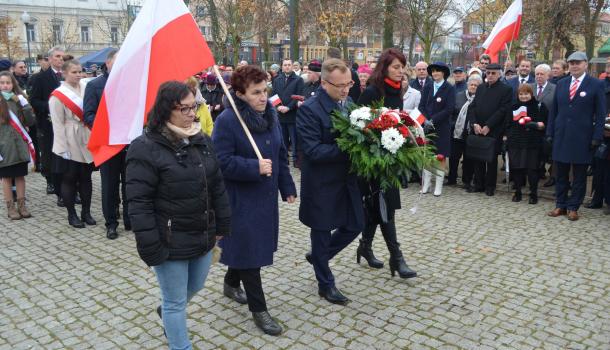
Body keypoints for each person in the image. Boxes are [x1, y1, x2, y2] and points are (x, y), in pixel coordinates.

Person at [126, 81, 231, 350]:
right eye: (183, 109)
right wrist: (150, 244)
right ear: (165, 111)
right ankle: (179, 344)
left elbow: (216, 183)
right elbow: (138, 202)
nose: (191, 114)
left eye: (193, 106)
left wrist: (222, 222)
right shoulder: (145, 147)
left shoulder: (201, 139)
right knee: (175, 302)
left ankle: (167, 312)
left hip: (202, 231)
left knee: (194, 287)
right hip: (169, 239)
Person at [212, 65, 297, 335]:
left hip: (266, 198)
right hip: (240, 200)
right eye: (256, 92)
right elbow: (219, 161)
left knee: (249, 248)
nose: (264, 97)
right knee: (250, 252)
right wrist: (253, 167)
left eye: (265, 90)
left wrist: (287, 186)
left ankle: (230, 282)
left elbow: (280, 154)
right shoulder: (227, 120)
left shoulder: (270, 114)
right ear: (239, 94)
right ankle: (259, 310)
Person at [297, 58, 365, 305]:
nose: (346, 89)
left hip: (346, 180)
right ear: (325, 83)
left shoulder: (348, 104)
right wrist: (350, 149)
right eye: (340, 86)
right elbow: (312, 150)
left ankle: (319, 257)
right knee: (322, 231)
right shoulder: (310, 109)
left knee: (356, 223)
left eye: (349, 83)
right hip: (322, 182)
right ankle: (325, 284)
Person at [357, 48, 417, 279]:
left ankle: (365, 246)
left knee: (378, 208)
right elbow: (359, 125)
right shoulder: (372, 91)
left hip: (390, 158)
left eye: (402, 67)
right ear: (384, 68)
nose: (400, 71)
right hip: (372, 162)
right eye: (395, 67)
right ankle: (397, 258)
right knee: (385, 207)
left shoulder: (397, 91)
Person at [546, 52, 606, 221]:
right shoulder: (562, 83)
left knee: (579, 176)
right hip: (562, 136)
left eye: (577, 62)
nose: (574, 65)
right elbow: (554, 111)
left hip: (583, 137)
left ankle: (573, 207)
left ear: (586, 64)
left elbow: (600, 114)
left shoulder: (595, 84)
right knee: (561, 174)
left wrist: (597, 136)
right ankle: (561, 205)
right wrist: (550, 132)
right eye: (571, 62)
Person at [83, 49, 128, 239]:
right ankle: (111, 223)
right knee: (109, 186)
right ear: (108, 63)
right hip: (108, 144)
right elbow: (89, 115)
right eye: (117, 61)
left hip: (129, 142)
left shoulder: (130, 84)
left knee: (130, 183)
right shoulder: (95, 85)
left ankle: (130, 219)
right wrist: (108, 129)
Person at [49, 59, 95, 228]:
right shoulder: (58, 95)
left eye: (79, 71)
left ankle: (86, 212)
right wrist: (62, 149)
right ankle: (72, 215)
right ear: (65, 73)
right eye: (74, 72)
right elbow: (58, 124)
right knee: (69, 178)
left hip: (85, 135)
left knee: (86, 177)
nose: (78, 75)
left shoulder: (86, 87)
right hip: (69, 138)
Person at [467, 63, 513, 196]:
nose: (490, 75)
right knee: (478, 158)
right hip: (478, 129)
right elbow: (473, 107)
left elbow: (503, 110)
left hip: (494, 129)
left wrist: (488, 125)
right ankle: (478, 184)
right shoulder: (481, 88)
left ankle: (490, 186)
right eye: (488, 73)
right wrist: (474, 124)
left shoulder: (506, 89)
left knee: (491, 160)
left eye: (493, 73)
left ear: (499, 74)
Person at [29, 46, 64, 204]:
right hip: (49, 124)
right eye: (57, 56)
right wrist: (51, 106)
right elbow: (34, 101)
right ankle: (59, 191)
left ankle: (72, 188)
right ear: (49, 59)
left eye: (62, 57)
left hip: (68, 124)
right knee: (53, 158)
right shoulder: (40, 78)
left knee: (68, 159)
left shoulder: (69, 75)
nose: (60, 59)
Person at [0, 72, 35, 219]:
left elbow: (30, 122)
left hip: (19, 145)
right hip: (4, 146)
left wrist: (24, 105)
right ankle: (11, 208)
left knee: (21, 176)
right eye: (2, 83)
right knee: (7, 178)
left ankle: (22, 205)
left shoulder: (19, 100)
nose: (5, 85)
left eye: (8, 82)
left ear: (13, 84)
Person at [418, 61, 455, 196]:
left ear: (443, 73)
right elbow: (421, 106)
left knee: (440, 157)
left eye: (437, 71)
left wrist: (433, 120)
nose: (435, 73)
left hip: (442, 128)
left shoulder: (449, 88)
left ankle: (438, 185)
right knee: (427, 156)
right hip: (427, 127)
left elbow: (449, 109)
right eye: (433, 71)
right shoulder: (427, 86)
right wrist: (426, 120)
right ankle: (426, 184)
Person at [506, 84, 547, 204]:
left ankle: (533, 194)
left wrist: (534, 125)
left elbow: (545, 123)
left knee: (532, 170)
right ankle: (517, 192)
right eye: (521, 94)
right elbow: (507, 124)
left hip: (532, 142)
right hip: (516, 142)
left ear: (531, 94)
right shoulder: (513, 106)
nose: (524, 96)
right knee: (517, 169)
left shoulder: (539, 106)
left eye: (526, 93)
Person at [448, 75, 482, 189]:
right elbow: (452, 111)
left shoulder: (481, 98)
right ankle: (451, 179)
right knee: (454, 157)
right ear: (467, 85)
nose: (473, 87)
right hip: (457, 131)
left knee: (468, 158)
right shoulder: (459, 96)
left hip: (471, 133)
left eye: (476, 85)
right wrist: (453, 124)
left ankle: (466, 180)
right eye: (471, 85)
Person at [586, 60, 610, 212]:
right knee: (598, 170)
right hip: (601, 133)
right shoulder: (600, 85)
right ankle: (597, 199)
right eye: (608, 66)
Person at [271, 58, 304, 167]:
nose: (287, 67)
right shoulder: (277, 79)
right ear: (282, 66)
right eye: (285, 65)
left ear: (292, 66)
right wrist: (279, 107)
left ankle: (295, 159)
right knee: (282, 139)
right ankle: (284, 159)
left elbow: (299, 96)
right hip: (280, 114)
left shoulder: (298, 80)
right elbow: (274, 95)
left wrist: (288, 107)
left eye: (289, 65)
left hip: (292, 114)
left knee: (294, 139)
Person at [529, 64, 556, 187]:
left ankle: (549, 175)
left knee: (546, 153)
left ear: (548, 75)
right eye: (537, 74)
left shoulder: (555, 89)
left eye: (542, 74)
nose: (539, 76)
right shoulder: (529, 87)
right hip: (531, 127)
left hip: (548, 126)